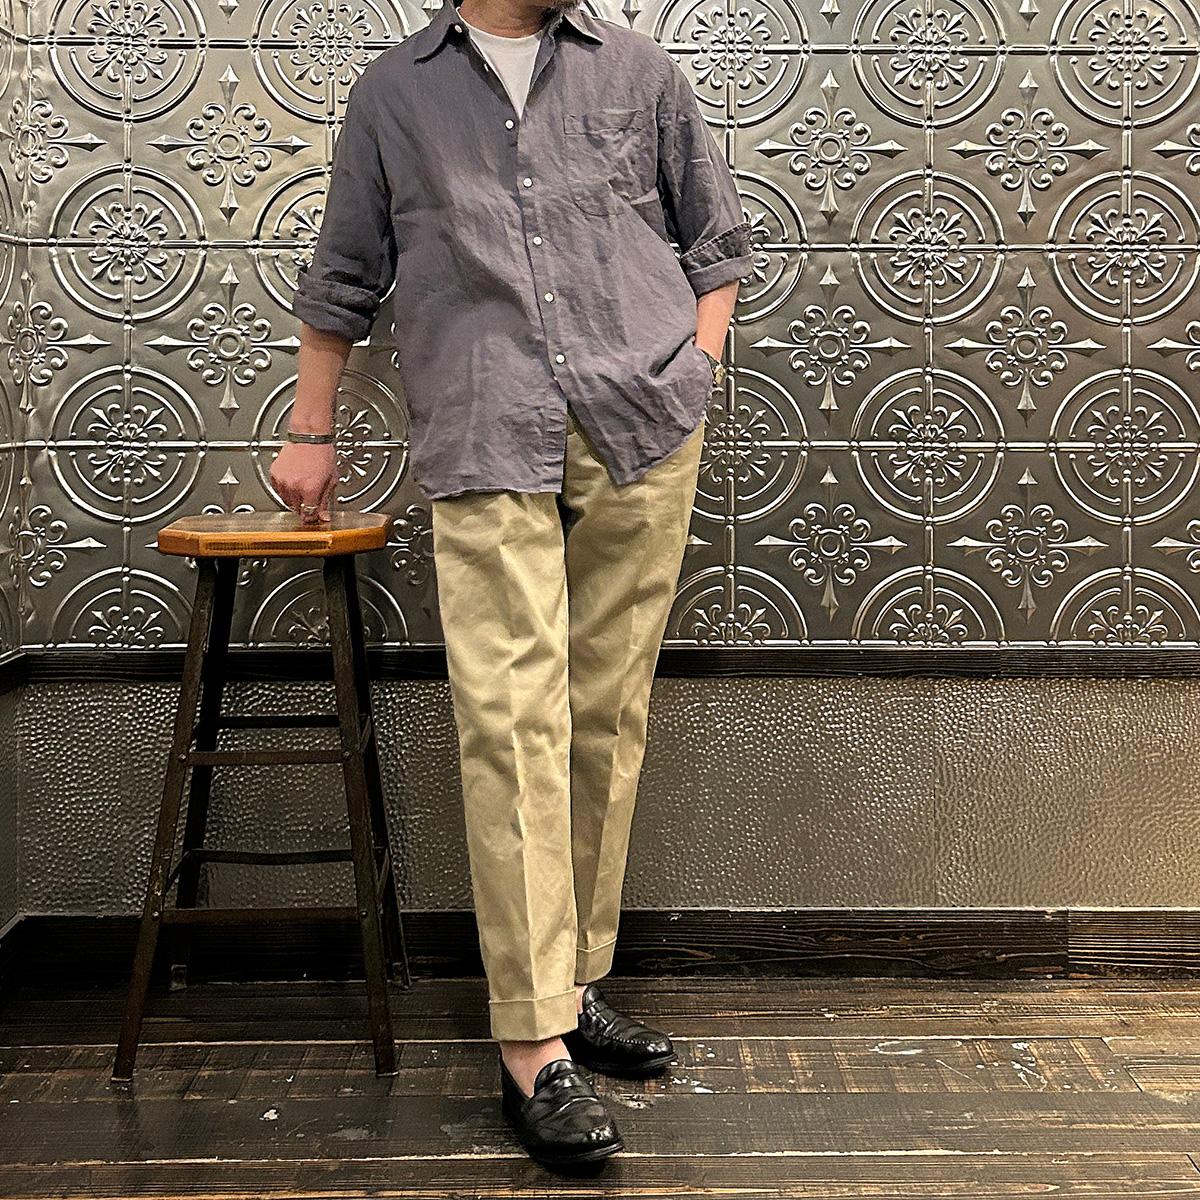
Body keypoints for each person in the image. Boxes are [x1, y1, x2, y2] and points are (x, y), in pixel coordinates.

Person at [272, 0, 751, 1168]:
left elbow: (716, 241)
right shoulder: (395, 92)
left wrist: (697, 368)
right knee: (509, 719)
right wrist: (310, 428)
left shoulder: (639, 71)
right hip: (485, 425)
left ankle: (573, 984)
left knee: (604, 715)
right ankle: (533, 1046)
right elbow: (344, 275)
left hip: (642, 423)